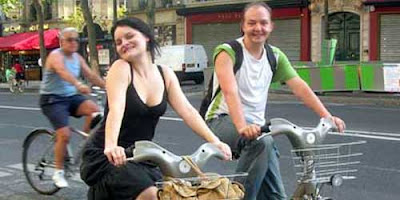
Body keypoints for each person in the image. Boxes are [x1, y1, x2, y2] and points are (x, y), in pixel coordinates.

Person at [205, 2, 346, 200]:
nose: (258, 28)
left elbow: (300, 87)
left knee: (275, 195)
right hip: (222, 119)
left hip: (259, 130)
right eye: (251, 23)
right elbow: (230, 91)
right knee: (261, 144)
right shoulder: (227, 52)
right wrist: (242, 126)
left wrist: (327, 116)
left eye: (263, 23)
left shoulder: (275, 56)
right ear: (243, 25)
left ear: (271, 26)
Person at [80, 17, 232, 200]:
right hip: (108, 155)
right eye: (118, 42)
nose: (124, 44)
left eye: (129, 36)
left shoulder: (165, 74)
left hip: (142, 155)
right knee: (150, 195)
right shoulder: (121, 69)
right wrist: (112, 145)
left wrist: (215, 141)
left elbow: (188, 111)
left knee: (171, 192)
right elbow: (116, 109)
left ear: (146, 37)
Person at [39, 27, 106, 188]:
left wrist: (109, 86)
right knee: (64, 134)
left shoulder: (77, 57)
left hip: (70, 97)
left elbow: (90, 75)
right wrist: (77, 83)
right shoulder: (55, 56)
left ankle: (86, 145)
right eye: (70, 39)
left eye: (77, 39)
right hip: (52, 99)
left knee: (96, 111)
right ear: (62, 42)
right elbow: (62, 71)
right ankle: (58, 171)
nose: (74, 42)